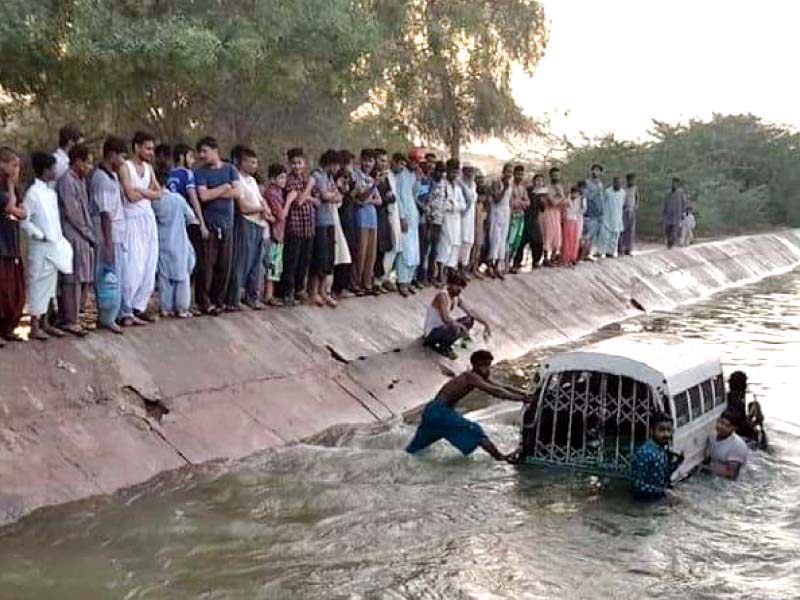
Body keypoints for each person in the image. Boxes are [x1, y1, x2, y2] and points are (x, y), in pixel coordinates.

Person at [406, 350, 530, 462]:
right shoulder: (470, 377)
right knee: (474, 430)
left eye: (489, 365)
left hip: (432, 411)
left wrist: (526, 394)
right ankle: (501, 458)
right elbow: (495, 392)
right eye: (485, 365)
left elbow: (502, 387)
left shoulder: (477, 376)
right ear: (475, 365)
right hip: (440, 411)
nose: (488, 369)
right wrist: (521, 399)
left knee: (414, 450)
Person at [22, 152, 72, 340]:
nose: (55, 171)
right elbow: (25, 221)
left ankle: (45, 323)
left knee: (50, 286)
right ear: (45, 170)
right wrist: (40, 235)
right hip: (40, 247)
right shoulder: (32, 194)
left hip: (54, 245)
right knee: (37, 285)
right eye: (52, 168)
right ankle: (34, 326)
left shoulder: (51, 193)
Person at [119, 131, 161, 325]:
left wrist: (143, 191)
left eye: (152, 148)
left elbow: (158, 193)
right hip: (132, 220)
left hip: (147, 219)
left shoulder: (149, 168)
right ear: (136, 147)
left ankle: (138, 307)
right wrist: (147, 193)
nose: (150, 152)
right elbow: (130, 195)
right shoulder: (125, 167)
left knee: (148, 264)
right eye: (147, 148)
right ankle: (125, 309)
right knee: (133, 265)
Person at [193, 136, 239, 315]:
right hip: (209, 224)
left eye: (205, 151)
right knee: (206, 265)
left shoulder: (230, 169)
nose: (202, 155)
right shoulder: (200, 172)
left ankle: (218, 300)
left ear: (215, 150)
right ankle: (203, 301)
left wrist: (217, 191)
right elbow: (203, 196)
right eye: (200, 152)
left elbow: (238, 192)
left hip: (227, 224)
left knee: (224, 264)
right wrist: (224, 188)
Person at [89, 136, 128, 333]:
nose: (123, 160)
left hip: (116, 235)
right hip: (107, 236)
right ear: (112, 154)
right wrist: (107, 243)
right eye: (122, 156)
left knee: (115, 277)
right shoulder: (101, 179)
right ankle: (107, 317)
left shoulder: (112, 176)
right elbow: (105, 214)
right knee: (107, 278)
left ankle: (111, 315)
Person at [56, 144, 96, 336]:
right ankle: (69, 319)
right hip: (72, 234)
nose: (89, 166)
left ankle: (78, 315)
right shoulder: (67, 181)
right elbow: (73, 214)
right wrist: (88, 234)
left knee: (84, 276)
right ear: (78, 161)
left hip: (84, 235)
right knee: (72, 277)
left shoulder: (80, 180)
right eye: (87, 162)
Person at [226, 147, 271, 311]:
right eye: (251, 162)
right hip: (246, 222)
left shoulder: (252, 181)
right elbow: (243, 207)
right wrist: (260, 209)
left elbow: (261, 200)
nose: (254, 166)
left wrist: (264, 209)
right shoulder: (236, 178)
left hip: (259, 223)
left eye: (256, 162)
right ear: (241, 162)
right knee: (242, 262)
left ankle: (252, 297)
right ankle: (234, 298)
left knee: (256, 264)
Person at [167, 143, 208, 308]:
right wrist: (201, 222)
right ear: (182, 157)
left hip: (172, 222)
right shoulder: (187, 174)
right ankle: (185, 302)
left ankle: (171, 302)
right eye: (190, 157)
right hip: (187, 221)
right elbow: (193, 198)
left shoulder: (169, 173)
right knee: (192, 261)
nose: (192, 161)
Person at [152, 172, 196, 318]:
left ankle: (166, 307)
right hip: (180, 242)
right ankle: (182, 308)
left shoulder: (154, 202)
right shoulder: (178, 199)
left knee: (165, 278)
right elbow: (191, 218)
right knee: (182, 276)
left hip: (162, 242)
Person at [422, 272, 492, 359]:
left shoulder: (456, 297)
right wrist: (461, 326)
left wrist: (485, 324)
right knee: (455, 328)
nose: (460, 289)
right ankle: (442, 346)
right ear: (450, 284)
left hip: (442, 328)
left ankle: (446, 344)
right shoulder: (442, 296)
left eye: (461, 287)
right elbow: (445, 318)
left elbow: (470, 312)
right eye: (458, 286)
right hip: (432, 331)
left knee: (469, 320)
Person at [281, 147, 318, 305]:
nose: (297, 166)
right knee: (292, 261)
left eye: (299, 163)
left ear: (305, 163)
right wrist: (309, 187)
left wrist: (307, 194)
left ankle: (299, 289)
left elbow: (318, 202)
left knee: (305, 260)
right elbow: (298, 201)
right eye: (293, 163)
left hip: (308, 226)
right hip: (294, 227)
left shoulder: (307, 178)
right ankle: (287, 292)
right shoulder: (289, 180)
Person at [309, 149, 343, 307]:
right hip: (319, 221)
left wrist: (332, 195)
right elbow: (325, 196)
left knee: (328, 259)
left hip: (329, 220)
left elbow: (337, 197)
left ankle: (324, 291)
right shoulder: (318, 175)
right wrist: (332, 194)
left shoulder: (329, 178)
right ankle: (314, 292)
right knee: (319, 258)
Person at [0, 147, 25, 347]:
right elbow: (9, 207)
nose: (17, 170)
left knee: (15, 290)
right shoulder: (5, 188)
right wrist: (9, 187)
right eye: (13, 165)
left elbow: (22, 212)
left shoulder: (14, 188)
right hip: (1, 243)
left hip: (12, 242)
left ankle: (9, 328)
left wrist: (16, 207)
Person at [630, 412, 684, 501]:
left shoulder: (662, 450)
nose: (666, 434)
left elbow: (664, 474)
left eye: (669, 430)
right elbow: (637, 485)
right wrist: (663, 491)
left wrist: (678, 462)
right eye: (661, 430)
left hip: (658, 498)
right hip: (644, 502)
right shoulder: (645, 453)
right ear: (652, 431)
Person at [352, 149, 381, 295]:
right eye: (366, 160)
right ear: (361, 160)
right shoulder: (356, 176)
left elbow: (379, 200)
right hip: (361, 218)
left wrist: (369, 197)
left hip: (372, 219)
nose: (368, 164)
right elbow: (361, 198)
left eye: (371, 161)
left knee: (371, 254)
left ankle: (367, 283)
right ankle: (356, 283)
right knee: (360, 253)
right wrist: (373, 188)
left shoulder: (370, 178)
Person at [393, 152, 422, 296]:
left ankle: (409, 280)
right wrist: (402, 217)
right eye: (414, 161)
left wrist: (418, 180)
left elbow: (414, 195)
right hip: (404, 218)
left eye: (417, 162)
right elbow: (399, 197)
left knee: (414, 250)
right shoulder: (401, 175)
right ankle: (402, 281)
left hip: (413, 217)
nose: (415, 164)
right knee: (405, 250)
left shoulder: (412, 175)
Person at [262, 163, 289, 307]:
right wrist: (289, 200)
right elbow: (281, 215)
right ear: (273, 179)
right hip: (274, 234)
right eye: (281, 177)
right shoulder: (272, 193)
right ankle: (268, 295)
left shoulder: (278, 193)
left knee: (275, 265)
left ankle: (269, 294)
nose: (284, 180)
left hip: (279, 233)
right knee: (272, 265)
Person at [438, 159, 466, 279]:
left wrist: (453, 204)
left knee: (455, 245)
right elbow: (442, 204)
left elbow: (463, 205)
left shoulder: (458, 187)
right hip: (445, 219)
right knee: (444, 246)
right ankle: (440, 274)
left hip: (456, 221)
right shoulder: (442, 184)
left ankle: (449, 273)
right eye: (452, 172)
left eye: (456, 172)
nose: (454, 175)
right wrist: (455, 205)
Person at [513, 173, 545, 272]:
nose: (539, 182)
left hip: (534, 221)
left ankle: (536, 261)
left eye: (541, 180)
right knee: (521, 243)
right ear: (533, 181)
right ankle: (516, 263)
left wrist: (542, 199)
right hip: (525, 219)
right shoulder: (528, 190)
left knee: (538, 242)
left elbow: (543, 208)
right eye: (537, 180)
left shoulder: (542, 193)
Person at [704, 412, 748, 480]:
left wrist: (706, 468)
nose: (722, 427)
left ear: (734, 428)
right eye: (721, 423)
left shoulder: (738, 446)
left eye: (727, 426)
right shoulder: (711, 436)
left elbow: (731, 473)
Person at [487, 163, 513, 278]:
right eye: (507, 171)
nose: (509, 174)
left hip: (506, 212)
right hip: (497, 212)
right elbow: (497, 199)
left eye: (511, 172)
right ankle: (489, 265)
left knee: (502, 240)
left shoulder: (510, 184)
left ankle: (498, 266)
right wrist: (505, 188)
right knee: (495, 239)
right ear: (503, 172)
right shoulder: (497, 183)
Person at [540, 167, 565, 266]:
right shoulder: (547, 188)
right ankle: (545, 259)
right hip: (548, 214)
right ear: (550, 176)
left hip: (557, 214)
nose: (556, 177)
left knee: (557, 236)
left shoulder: (560, 187)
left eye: (558, 175)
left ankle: (553, 258)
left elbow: (563, 204)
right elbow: (553, 202)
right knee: (548, 236)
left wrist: (560, 197)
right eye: (554, 175)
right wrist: (561, 196)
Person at [507, 165, 529, 272]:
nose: (520, 176)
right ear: (514, 174)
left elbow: (527, 202)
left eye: (521, 174)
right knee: (509, 241)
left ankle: (510, 263)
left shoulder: (522, 188)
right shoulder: (510, 186)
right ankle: (504, 264)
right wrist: (520, 203)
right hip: (511, 217)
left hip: (520, 217)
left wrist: (520, 203)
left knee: (517, 242)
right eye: (518, 174)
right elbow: (510, 202)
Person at [457, 164, 477, 277]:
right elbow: (468, 199)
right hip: (461, 216)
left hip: (470, 217)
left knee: (468, 242)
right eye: (468, 171)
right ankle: (456, 270)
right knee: (459, 242)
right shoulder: (460, 183)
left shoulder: (473, 184)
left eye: (472, 171)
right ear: (463, 172)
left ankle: (464, 268)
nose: (470, 174)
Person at [599, 176, 625, 258]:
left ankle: (613, 251)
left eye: (620, 182)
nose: (618, 184)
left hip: (617, 216)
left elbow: (622, 204)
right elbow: (603, 202)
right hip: (607, 216)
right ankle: (603, 252)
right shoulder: (608, 191)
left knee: (615, 236)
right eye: (616, 182)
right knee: (605, 236)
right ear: (613, 182)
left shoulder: (623, 193)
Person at [582, 164, 605, 259]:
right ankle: (582, 254)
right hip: (588, 212)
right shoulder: (586, 183)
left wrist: (602, 210)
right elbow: (587, 196)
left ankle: (588, 254)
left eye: (598, 170)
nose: (595, 172)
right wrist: (596, 190)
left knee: (593, 236)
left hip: (598, 213)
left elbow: (601, 199)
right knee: (587, 234)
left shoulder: (600, 184)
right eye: (594, 170)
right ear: (591, 171)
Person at [560, 185, 584, 266]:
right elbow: (563, 206)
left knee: (574, 240)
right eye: (573, 193)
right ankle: (565, 258)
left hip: (575, 222)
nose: (574, 195)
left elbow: (581, 210)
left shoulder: (579, 201)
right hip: (568, 221)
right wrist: (567, 196)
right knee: (567, 240)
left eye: (576, 193)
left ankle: (573, 257)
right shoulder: (568, 200)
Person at [619, 173, 640, 255]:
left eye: (633, 180)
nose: (632, 181)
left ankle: (629, 248)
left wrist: (635, 207)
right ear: (627, 180)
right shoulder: (624, 189)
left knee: (630, 230)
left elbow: (637, 199)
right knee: (623, 229)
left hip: (631, 210)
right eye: (630, 179)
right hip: (624, 210)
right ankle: (621, 247)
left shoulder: (635, 188)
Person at [663, 177, 686, 249]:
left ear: (678, 184)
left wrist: (683, 212)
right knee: (668, 229)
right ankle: (668, 242)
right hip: (668, 214)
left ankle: (671, 243)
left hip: (677, 214)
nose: (674, 185)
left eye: (675, 183)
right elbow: (665, 202)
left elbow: (683, 202)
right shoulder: (668, 193)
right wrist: (664, 211)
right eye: (673, 183)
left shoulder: (681, 193)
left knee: (674, 230)